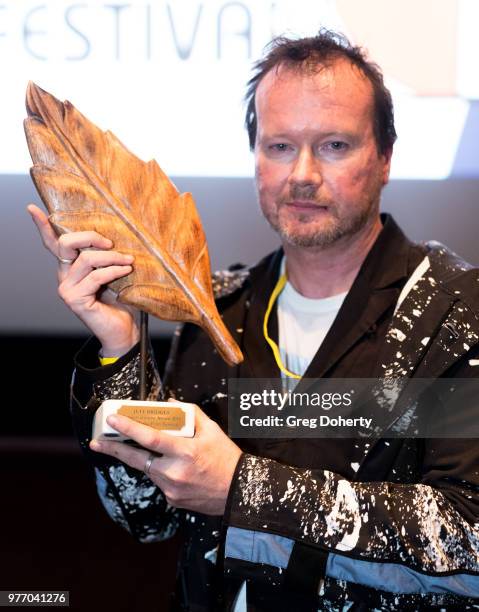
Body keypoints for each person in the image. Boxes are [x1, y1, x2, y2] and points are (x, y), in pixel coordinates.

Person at [28, 30, 479, 611]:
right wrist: (121, 346)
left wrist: (242, 488)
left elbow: (467, 531)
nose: (303, 175)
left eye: (336, 145)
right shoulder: (221, 309)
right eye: (280, 146)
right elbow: (146, 515)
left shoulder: (453, 310)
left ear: (385, 157)